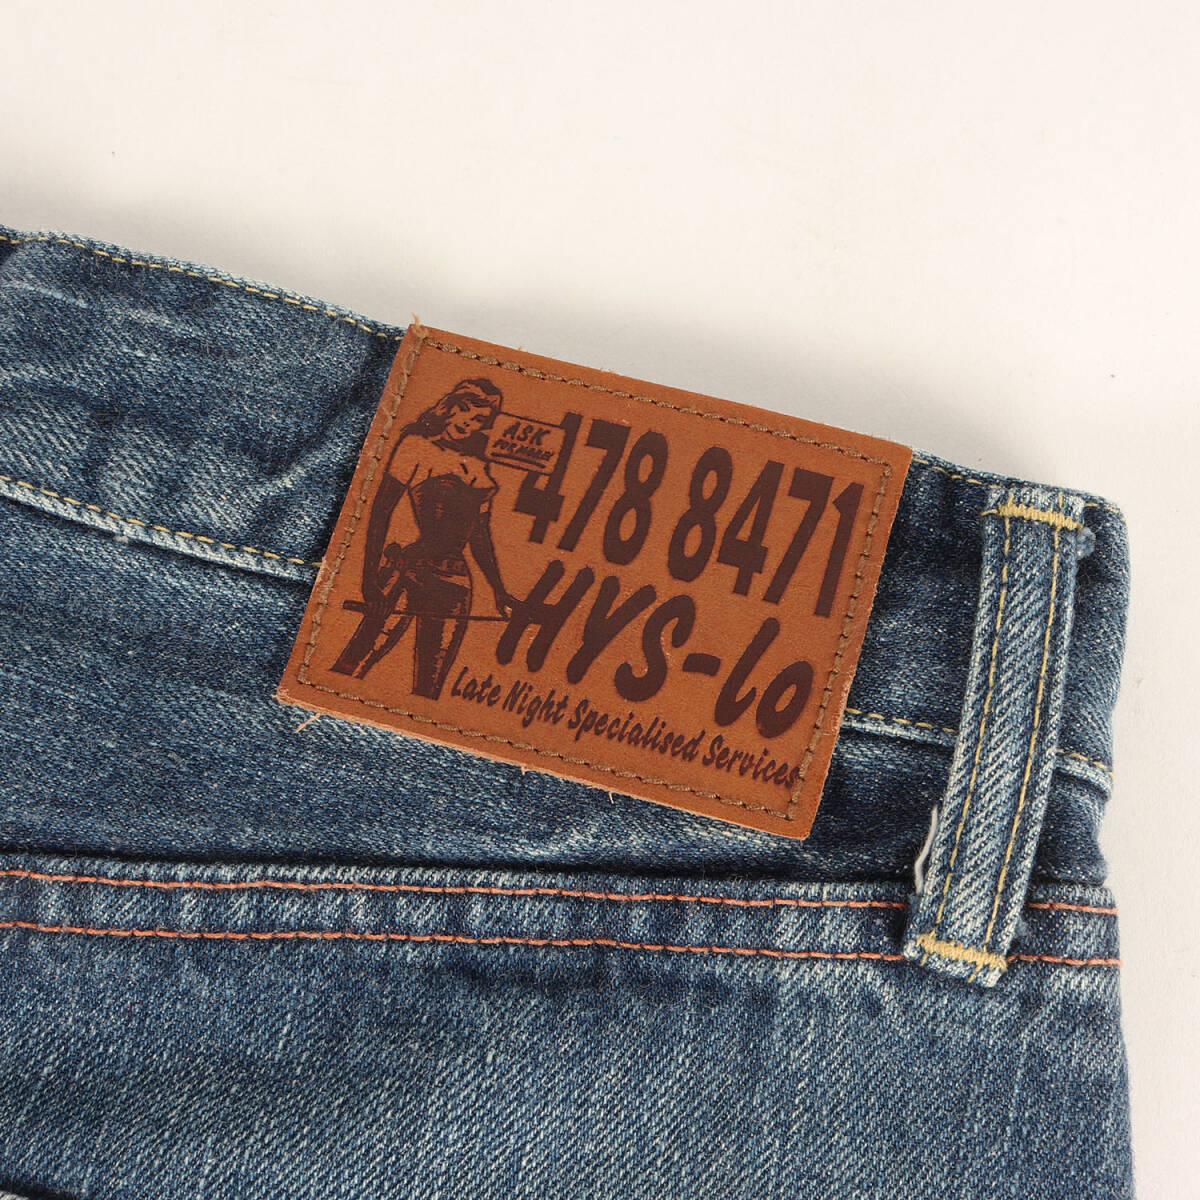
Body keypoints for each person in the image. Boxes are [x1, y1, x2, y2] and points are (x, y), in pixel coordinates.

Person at [331, 377, 514, 698]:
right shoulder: (417, 446)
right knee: (354, 663)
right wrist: (369, 582)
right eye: (464, 410)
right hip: (408, 572)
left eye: (479, 419)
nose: (468, 422)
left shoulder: (479, 467)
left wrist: (500, 592)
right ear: (449, 408)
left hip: (456, 585)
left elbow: (480, 538)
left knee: (429, 687)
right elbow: (379, 514)